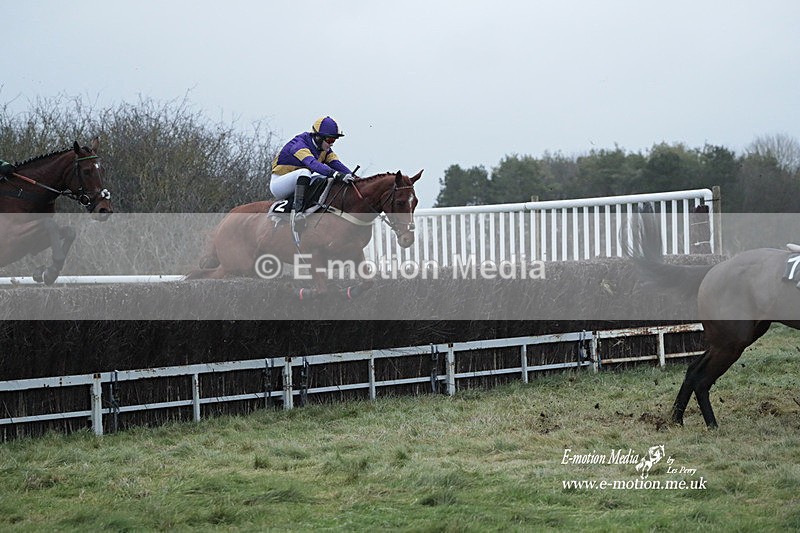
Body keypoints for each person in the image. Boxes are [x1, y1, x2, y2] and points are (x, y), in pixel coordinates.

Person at [270, 116, 355, 230]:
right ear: (319, 137)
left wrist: (356, 178)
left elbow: (337, 164)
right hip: (279, 184)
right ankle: (297, 212)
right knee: (305, 172)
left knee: (325, 178)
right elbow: (312, 164)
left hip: (299, 182)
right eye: (330, 140)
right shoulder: (299, 145)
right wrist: (337, 175)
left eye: (334, 140)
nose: (331, 144)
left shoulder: (324, 150)